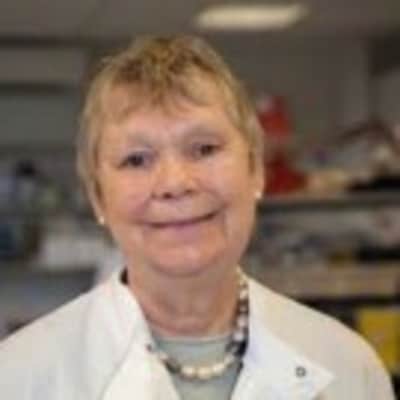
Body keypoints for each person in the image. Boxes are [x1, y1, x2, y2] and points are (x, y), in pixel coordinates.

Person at [0, 35, 395, 400]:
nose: (175, 183)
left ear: (256, 170)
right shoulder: (20, 377)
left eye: (204, 149)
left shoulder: (348, 367)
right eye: (136, 159)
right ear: (98, 197)